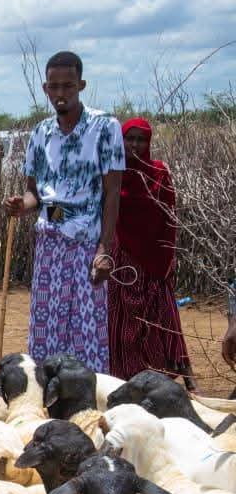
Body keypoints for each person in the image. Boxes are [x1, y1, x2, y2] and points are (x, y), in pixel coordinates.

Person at [5, 51, 125, 373]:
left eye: (68, 86)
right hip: (49, 243)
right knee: (46, 329)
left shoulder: (105, 127)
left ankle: (89, 394)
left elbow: (112, 193)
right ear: (45, 88)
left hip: (87, 243)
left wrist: (104, 249)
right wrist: (21, 205)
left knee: (87, 330)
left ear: (81, 85)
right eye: (54, 87)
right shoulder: (40, 132)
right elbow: (35, 193)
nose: (60, 94)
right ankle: (47, 393)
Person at [107, 118, 195, 388]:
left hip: (156, 258)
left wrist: (169, 255)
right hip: (123, 258)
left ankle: (189, 382)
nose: (134, 145)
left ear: (148, 143)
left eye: (141, 140)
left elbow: (170, 216)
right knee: (123, 323)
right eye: (129, 138)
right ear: (121, 140)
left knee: (166, 318)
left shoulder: (159, 173)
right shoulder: (114, 173)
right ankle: (126, 381)